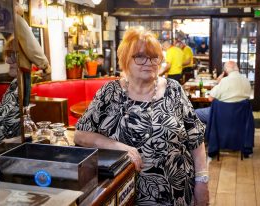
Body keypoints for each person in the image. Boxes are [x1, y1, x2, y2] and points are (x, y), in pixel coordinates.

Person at [74, 28, 209, 205]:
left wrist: (202, 181)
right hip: (124, 193)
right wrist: (117, 146)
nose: (149, 62)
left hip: (175, 194)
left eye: (154, 57)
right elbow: (80, 134)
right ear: (125, 60)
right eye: (140, 56)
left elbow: (196, 139)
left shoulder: (174, 90)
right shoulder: (109, 92)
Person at [14, 2, 50, 106]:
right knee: (22, 107)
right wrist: (45, 65)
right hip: (21, 71)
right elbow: (30, 43)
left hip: (8, 73)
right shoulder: (17, 19)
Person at [0, 37, 20, 141]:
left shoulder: (29, 88)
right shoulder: (14, 84)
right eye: (8, 55)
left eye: (13, 55)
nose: (7, 60)